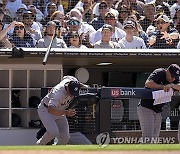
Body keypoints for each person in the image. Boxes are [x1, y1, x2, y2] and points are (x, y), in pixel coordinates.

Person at [36, 75, 88, 145]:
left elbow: (66, 77)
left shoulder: (70, 81)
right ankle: (39, 146)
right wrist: (66, 112)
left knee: (65, 137)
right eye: (71, 93)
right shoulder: (58, 92)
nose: (72, 95)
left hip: (60, 110)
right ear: (67, 88)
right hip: (46, 110)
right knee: (53, 132)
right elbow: (50, 109)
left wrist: (84, 85)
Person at [137, 64, 180, 143]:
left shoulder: (174, 80)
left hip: (158, 110)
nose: (173, 78)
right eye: (172, 76)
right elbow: (148, 83)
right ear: (167, 71)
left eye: (175, 77)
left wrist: (172, 85)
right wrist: (163, 87)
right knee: (148, 137)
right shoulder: (159, 72)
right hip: (146, 107)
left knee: (155, 138)